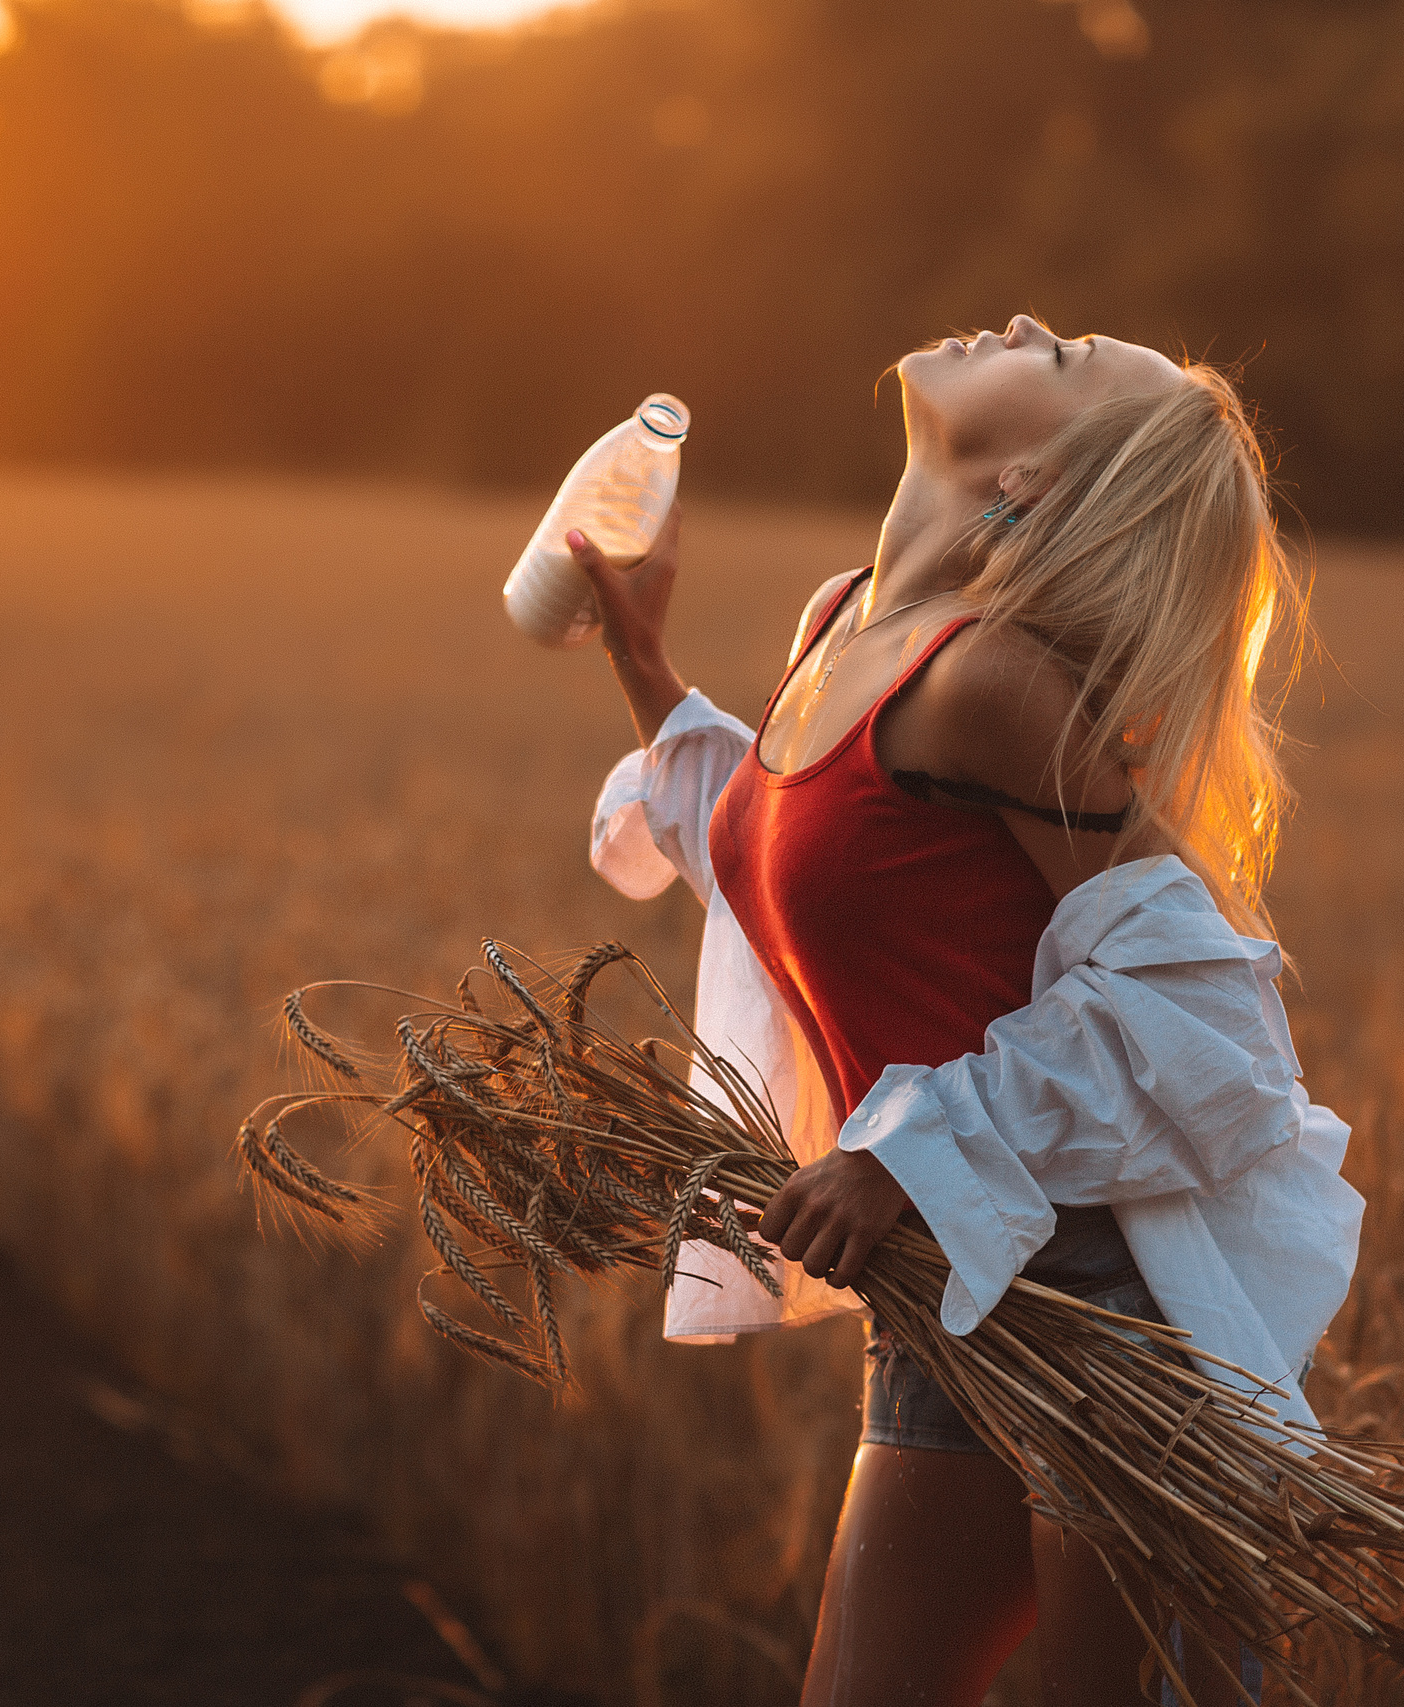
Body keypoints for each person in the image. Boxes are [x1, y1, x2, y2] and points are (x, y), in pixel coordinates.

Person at [578, 315, 1364, 1707]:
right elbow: (804, 868)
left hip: (1117, 1318)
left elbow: (1196, 1008)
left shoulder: (992, 685)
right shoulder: (847, 624)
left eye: (1059, 358)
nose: (1022, 322)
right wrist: (643, 660)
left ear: (1034, 482)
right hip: (947, 1294)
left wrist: (900, 1154)